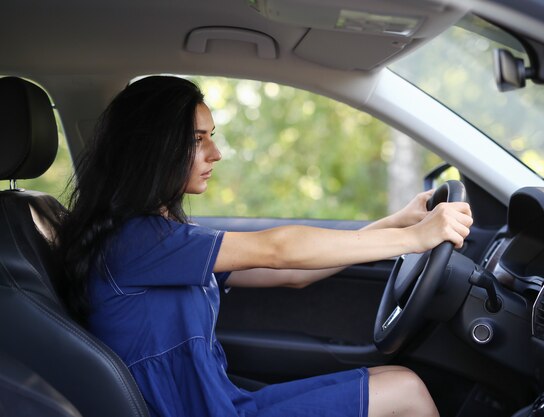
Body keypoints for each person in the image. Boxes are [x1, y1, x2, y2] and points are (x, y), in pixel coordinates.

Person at [54, 75, 473, 417]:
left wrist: (395, 222)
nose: (216, 153)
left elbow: (292, 273)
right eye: (198, 139)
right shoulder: (138, 242)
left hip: (226, 404)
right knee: (405, 390)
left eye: (211, 136)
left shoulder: (155, 240)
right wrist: (414, 238)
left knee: (395, 381)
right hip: (213, 413)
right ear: (153, 148)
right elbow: (279, 250)